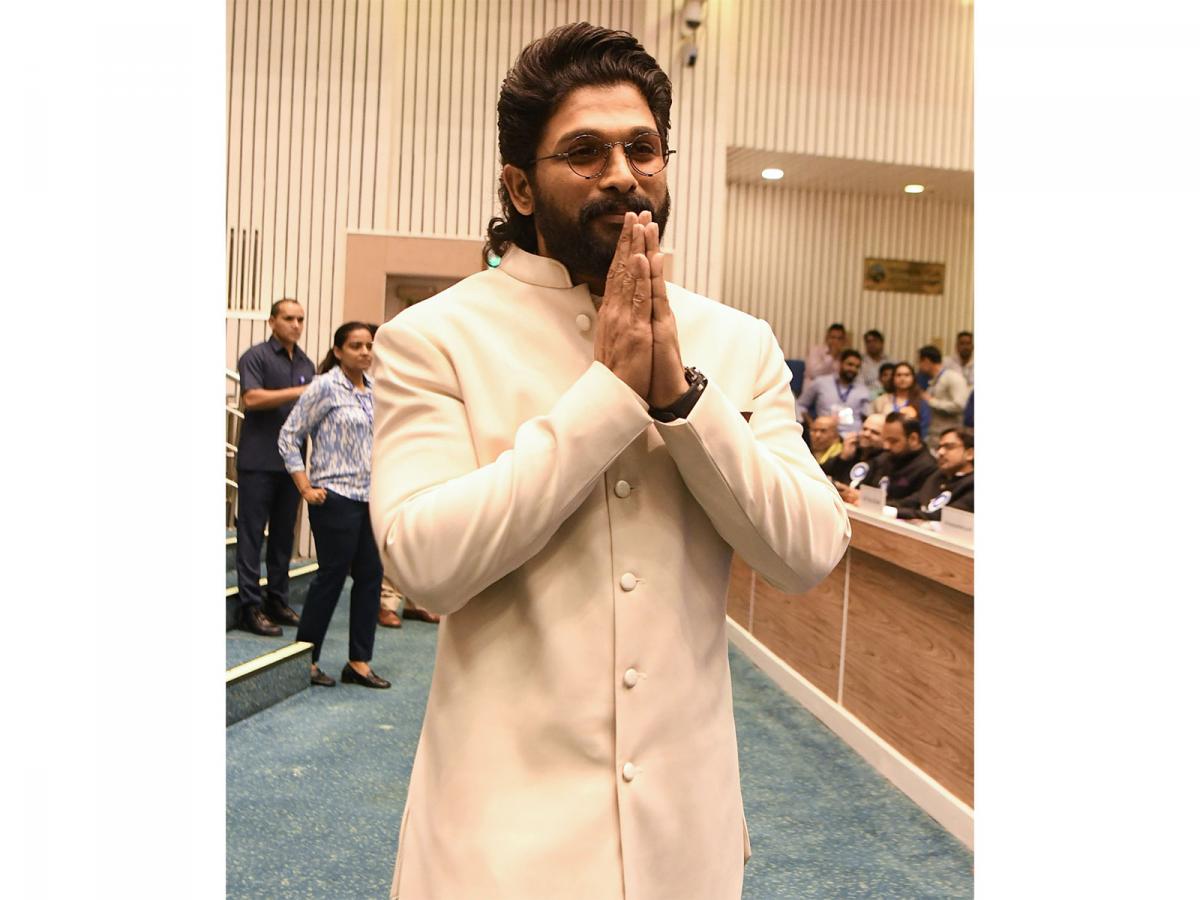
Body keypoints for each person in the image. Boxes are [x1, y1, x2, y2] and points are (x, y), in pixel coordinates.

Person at [368, 23, 850, 900]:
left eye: (643, 149)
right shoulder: (434, 339)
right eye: (585, 152)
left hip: (686, 843)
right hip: (498, 849)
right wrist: (607, 399)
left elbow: (808, 551)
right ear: (520, 185)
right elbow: (426, 564)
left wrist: (683, 402)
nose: (623, 174)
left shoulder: (736, 342)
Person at [278, 322, 389, 689]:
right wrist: (305, 487)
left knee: (370, 577)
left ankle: (358, 662)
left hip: (370, 497)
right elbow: (288, 437)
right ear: (339, 351)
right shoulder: (324, 386)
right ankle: (306, 659)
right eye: (356, 346)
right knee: (331, 578)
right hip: (334, 496)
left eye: (369, 345)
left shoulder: (375, 389)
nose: (365, 352)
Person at [234, 298, 316, 636]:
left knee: (284, 537)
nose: (296, 325)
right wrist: (300, 391)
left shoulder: (307, 363)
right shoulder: (256, 357)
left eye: (300, 319)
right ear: (272, 322)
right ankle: (249, 606)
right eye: (288, 318)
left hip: (292, 464)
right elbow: (251, 398)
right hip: (258, 460)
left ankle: (277, 600)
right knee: (252, 535)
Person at [837, 413, 937, 507]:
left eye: (893, 441)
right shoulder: (885, 457)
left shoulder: (929, 468)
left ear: (913, 439)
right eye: (886, 440)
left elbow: (915, 503)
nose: (886, 446)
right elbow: (864, 484)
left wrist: (871, 500)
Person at [895, 427, 974, 521]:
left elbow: (944, 517)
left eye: (949, 447)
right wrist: (887, 507)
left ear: (970, 454)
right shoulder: (937, 476)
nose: (940, 452)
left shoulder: (972, 485)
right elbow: (913, 501)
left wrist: (895, 512)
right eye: (939, 447)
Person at [795, 348, 873, 435]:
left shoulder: (863, 390)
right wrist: (812, 425)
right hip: (825, 434)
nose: (853, 369)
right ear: (840, 364)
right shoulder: (821, 382)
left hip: (853, 435)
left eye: (857, 367)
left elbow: (868, 416)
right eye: (850, 364)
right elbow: (801, 405)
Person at [918, 344, 970, 447]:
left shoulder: (953, 377)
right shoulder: (933, 380)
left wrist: (931, 401)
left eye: (920, 362)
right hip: (933, 436)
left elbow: (960, 406)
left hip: (950, 438)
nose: (919, 366)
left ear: (927, 361)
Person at [872, 360, 931, 438]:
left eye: (907, 375)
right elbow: (874, 424)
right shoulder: (881, 400)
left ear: (913, 378)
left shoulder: (921, 403)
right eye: (899, 375)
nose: (902, 378)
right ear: (893, 378)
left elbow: (924, 429)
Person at [822, 412, 885, 484]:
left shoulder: (885, 461)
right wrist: (842, 458)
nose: (866, 434)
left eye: (875, 432)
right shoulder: (852, 450)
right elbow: (821, 473)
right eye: (864, 429)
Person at [801, 322, 848, 392]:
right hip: (814, 390)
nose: (835, 341)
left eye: (839, 338)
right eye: (833, 337)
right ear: (827, 338)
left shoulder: (845, 356)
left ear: (844, 341)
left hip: (835, 392)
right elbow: (813, 373)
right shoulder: (815, 350)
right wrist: (832, 356)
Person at [858, 329, 891, 394]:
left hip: (887, 396)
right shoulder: (860, 362)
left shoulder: (890, 362)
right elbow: (858, 384)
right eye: (868, 342)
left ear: (882, 343)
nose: (872, 344)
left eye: (875, 341)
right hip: (866, 396)